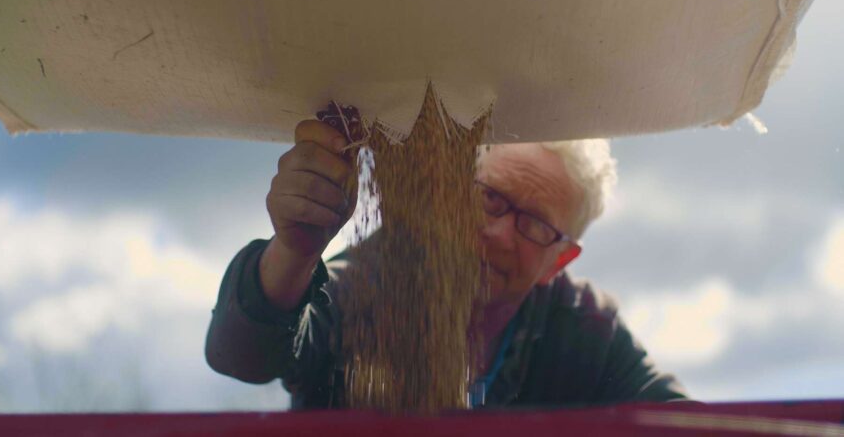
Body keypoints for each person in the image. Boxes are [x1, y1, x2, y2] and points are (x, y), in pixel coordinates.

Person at [205, 119, 687, 409]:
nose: (498, 233)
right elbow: (242, 354)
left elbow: (679, 419)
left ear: (558, 261)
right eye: (489, 199)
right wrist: (295, 250)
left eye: (535, 224)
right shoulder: (365, 286)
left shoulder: (584, 329)